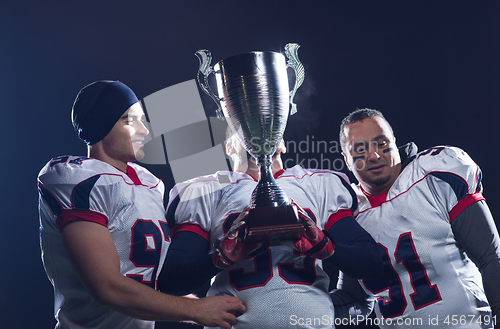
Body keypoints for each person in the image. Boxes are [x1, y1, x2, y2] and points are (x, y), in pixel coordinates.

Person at [38, 81, 245, 329]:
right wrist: (197, 309)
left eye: (142, 120)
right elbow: (107, 288)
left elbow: (146, 279)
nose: (144, 130)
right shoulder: (76, 180)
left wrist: (208, 303)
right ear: (100, 125)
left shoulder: (149, 184)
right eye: (129, 120)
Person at [158, 128, 383, 329]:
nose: (259, 130)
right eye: (244, 126)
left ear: (282, 142)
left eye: (269, 124)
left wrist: (325, 247)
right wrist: (219, 259)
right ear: (229, 147)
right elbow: (170, 281)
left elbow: (373, 262)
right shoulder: (207, 190)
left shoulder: (315, 184)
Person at [331, 108, 500, 329]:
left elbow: (491, 258)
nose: (374, 156)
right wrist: (305, 306)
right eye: (360, 149)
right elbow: (356, 301)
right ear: (346, 159)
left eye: (381, 144)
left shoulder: (433, 177)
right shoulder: (348, 211)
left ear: (394, 141)